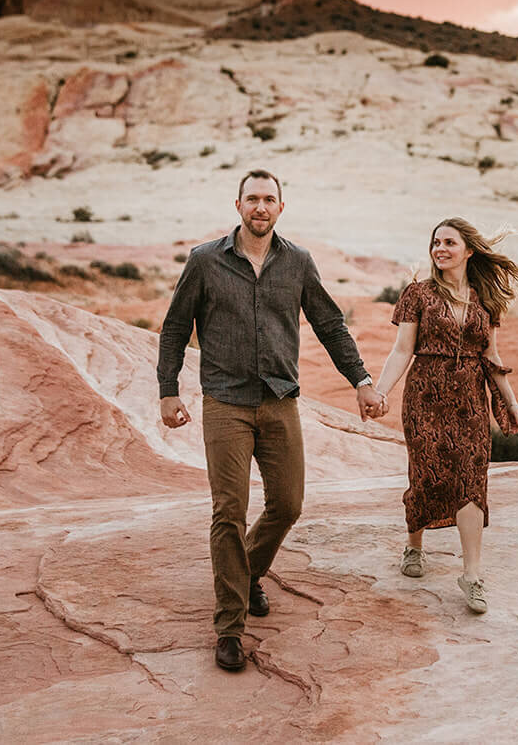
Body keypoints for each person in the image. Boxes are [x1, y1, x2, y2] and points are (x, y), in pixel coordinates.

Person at [157, 169, 384, 672]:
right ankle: (230, 628)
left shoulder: (297, 262)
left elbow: (329, 323)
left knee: (288, 503)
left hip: (280, 400)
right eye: (252, 198)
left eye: (269, 199)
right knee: (228, 513)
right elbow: (175, 327)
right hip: (226, 403)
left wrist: (362, 380)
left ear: (282, 207)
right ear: (237, 204)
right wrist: (168, 390)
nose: (260, 207)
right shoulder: (205, 261)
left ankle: (249, 571)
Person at [368, 217, 518, 614]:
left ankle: (472, 575)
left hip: (469, 400)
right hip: (425, 394)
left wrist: (509, 399)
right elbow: (402, 350)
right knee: (426, 471)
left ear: (468, 250)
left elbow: (491, 356)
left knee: (472, 478)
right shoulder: (417, 295)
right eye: (435, 243)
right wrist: (381, 391)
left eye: (449, 243)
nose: (440, 249)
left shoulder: (484, 301)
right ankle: (414, 544)